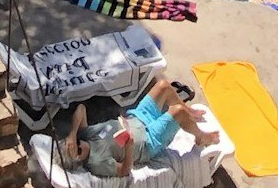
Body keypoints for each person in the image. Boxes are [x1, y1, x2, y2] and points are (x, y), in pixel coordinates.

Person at [60, 76, 203, 177]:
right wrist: (129, 147)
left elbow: (81, 108)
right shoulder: (97, 162)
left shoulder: (86, 135)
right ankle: (202, 137)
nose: (80, 144)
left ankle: (191, 112)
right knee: (178, 111)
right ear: (78, 160)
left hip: (137, 117)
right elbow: (124, 171)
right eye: (78, 150)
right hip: (147, 141)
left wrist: (72, 134)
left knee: (164, 86)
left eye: (77, 143)